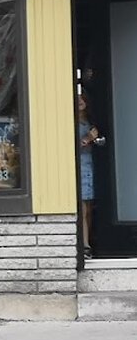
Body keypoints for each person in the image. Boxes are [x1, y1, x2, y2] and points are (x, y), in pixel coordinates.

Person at [78, 93, 100, 258]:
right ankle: (85, 245)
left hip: (91, 166)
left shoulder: (91, 121)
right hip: (80, 166)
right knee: (83, 207)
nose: (79, 100)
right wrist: (88, 138)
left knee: (90, 208)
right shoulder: (72, 122)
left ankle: (90, 240)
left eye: (82, 97)